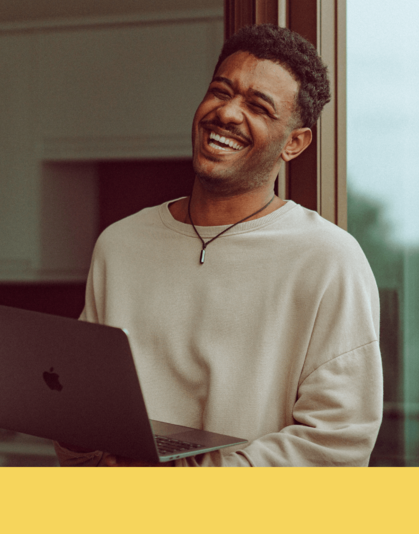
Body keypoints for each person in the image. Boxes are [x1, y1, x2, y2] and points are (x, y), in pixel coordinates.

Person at [55, 24, 382, 466]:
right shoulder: (120, 244)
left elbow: (336, 443)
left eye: (258, 107)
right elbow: (83, 422)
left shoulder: (329, 260)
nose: (227, 113)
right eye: (220, 91)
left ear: (295, 143)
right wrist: (75, 437)